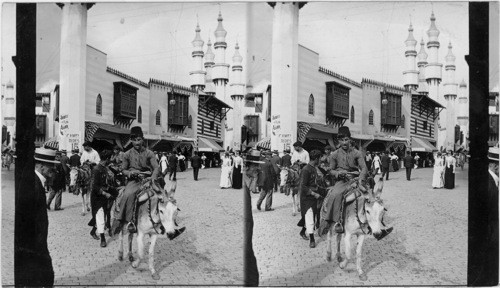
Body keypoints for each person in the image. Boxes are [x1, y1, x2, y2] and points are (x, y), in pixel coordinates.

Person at [320, 126, 390, 240]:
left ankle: (378, 225)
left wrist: (360, 179)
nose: (344, 142)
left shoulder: (357, 153)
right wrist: (338, 174)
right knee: (334, 195)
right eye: (341, 140)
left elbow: (364, 169)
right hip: (342, 181)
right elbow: (331, 170)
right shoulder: (334, 154)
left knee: (373, 198)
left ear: (350, 139)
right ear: (338, 141)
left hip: (356, 179)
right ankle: (333, 221)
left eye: (346, 139)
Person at [111, 126, 160, 235]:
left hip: (148, 178)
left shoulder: (149, 153)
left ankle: (163, 219)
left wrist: (153, 178)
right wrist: (129, 173)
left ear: (143, 139)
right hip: (134, 180)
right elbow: (123, 169)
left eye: (139, 139)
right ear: (131, 140)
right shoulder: (127, 154)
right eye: (134, 140)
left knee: (162, 195)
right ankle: (126, 221)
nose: (137, 142)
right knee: (128, 194)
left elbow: (156, 168)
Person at [31, 148, 57, 286]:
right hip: (35, 239)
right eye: (50, 166)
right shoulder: (34, 184)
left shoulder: (37, 181)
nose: (53, 169)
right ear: (41, 166)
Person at [88, 150, 118, 247]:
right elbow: (94, 186)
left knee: (103, 214)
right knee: (101, 216)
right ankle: (103, 239)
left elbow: (107, 182)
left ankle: (93, 231)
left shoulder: (105, 168)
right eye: (110, 158)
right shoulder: (96, 169)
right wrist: (105, 193)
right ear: (107, 159)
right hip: (97, 197)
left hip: (106, 196)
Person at [242, 149, 263, 286]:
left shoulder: (247, 177)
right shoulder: (240, 177)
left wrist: (255, 178)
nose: (258, 169)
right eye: (256, 166)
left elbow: (253, 189)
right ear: (247, 166)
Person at [297, 150, 324, 248]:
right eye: (320, 158)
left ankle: (303, 231)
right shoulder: (306, 169)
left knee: (310, 217)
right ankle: (312, 239)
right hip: (307, 198)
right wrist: (313, 193)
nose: (320, 160)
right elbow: (302, 186)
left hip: (314, 197)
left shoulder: (314, 168)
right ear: (316, 159)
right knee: (310, 217)